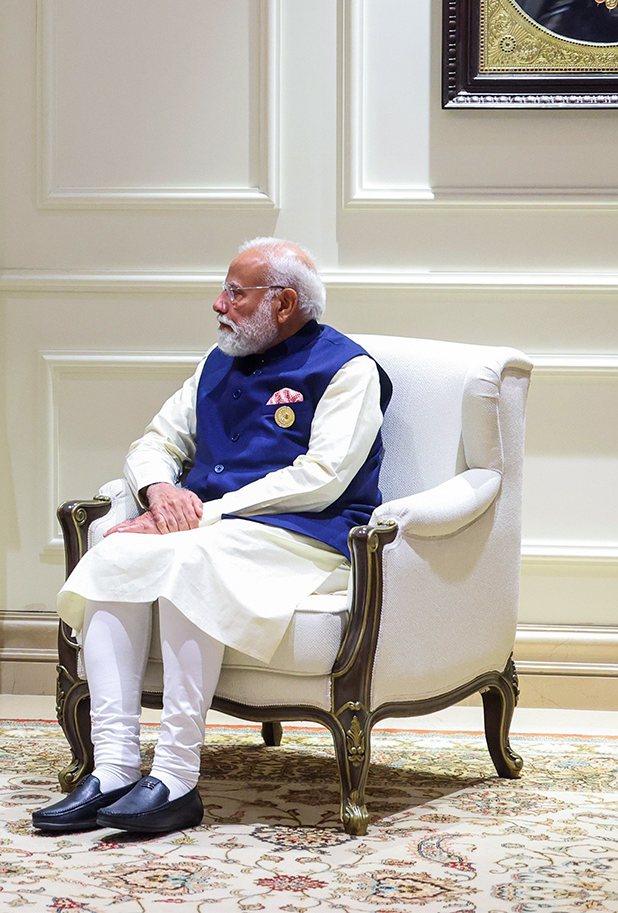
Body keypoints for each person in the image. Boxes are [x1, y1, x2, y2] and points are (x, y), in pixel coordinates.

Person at [32, 238, 391, 835]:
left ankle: (175, 779)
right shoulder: (215, 360)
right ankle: (115, 767)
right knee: (120, 548)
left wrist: (205, 514)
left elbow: (322, 479)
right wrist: (158, 493)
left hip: (303, 535)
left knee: (190, 557)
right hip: (213, 529)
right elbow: (156, 442)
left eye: (234, 292)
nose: (217, 303)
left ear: (282, 303)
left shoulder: (348, 370)